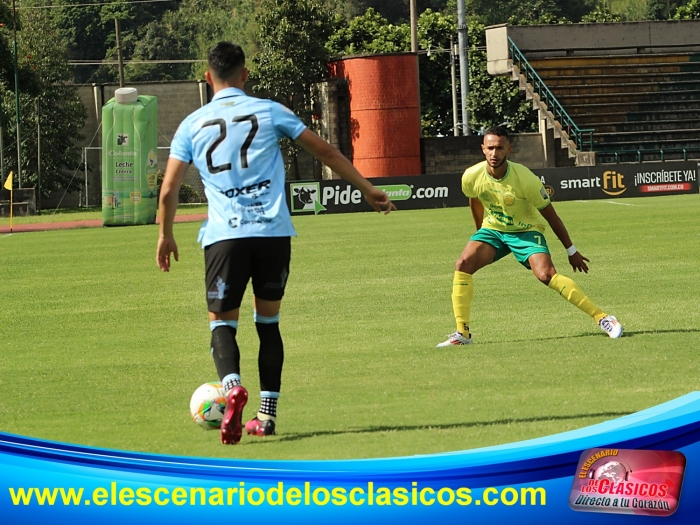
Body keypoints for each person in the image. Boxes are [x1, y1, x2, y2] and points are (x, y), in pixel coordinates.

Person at [157, 42, 395, 445]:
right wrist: (367, 190)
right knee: (268, 323)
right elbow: (326, 150)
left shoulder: (192, 124)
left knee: (222, 323)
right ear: (245, 74)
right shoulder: (270, 110)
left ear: (207, 76)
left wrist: (165, 234)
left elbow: (168, 191)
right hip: (272, 234)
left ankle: (232, 387)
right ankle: (266, 416)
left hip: (225, 239)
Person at [437, 125, 623, 347]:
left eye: (499, 148)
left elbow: (552, 217)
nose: (494, 153)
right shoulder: (471, 176)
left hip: (525, 230)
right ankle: (463, 334)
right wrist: (479, 233)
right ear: (483, 149)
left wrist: (571, 251)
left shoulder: (526, 179)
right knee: (463, 263)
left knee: (546, 275)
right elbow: (475, 199)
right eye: (490, 148)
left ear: (509, 149)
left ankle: (603, 318)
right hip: (494, 230)